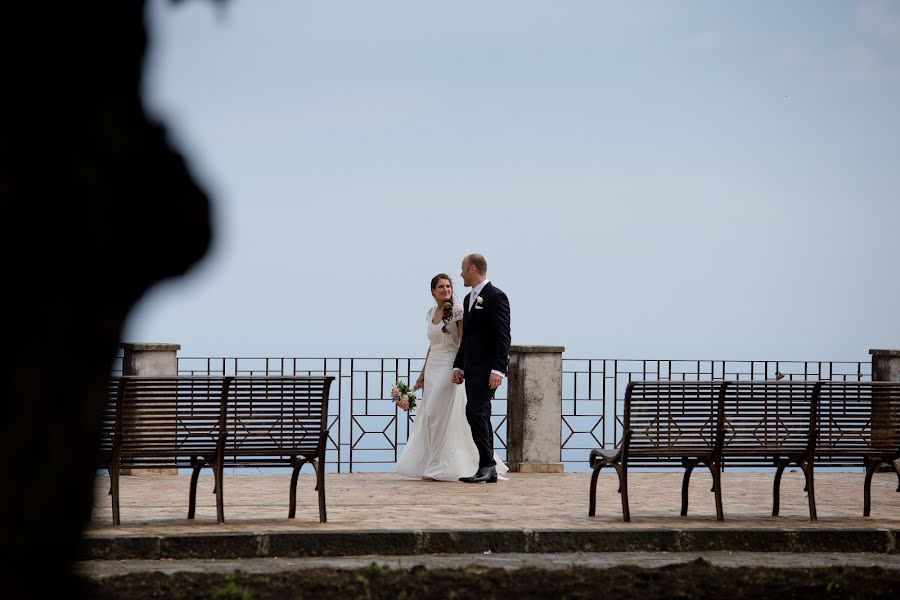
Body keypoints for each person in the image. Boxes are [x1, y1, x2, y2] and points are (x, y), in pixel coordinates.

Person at [396, 273, 508, 481]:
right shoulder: (430, 313)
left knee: (436, 414)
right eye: (441, 287)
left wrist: (461, 367)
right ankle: (433, 462)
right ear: (433, 291)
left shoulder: (457, 310)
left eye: (448, 286)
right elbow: (432, 346)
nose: (446, 290)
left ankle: (440, 467)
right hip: (433, 367)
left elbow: (463, 340)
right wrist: (422, 374)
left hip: (450, 365)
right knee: (429, 416)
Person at [453, 253, 512, 484]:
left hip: (489, 371)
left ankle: (488, 464)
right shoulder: (469, 299)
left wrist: (498, 369)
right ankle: (488, 469)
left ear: (473, 269)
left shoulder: (497, 297)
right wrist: (459, 365)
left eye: (462, 269)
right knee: (483, 415)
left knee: (474, 412)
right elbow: (466, 338)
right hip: (471, 370)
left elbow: (503, 336)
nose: (460, 273)